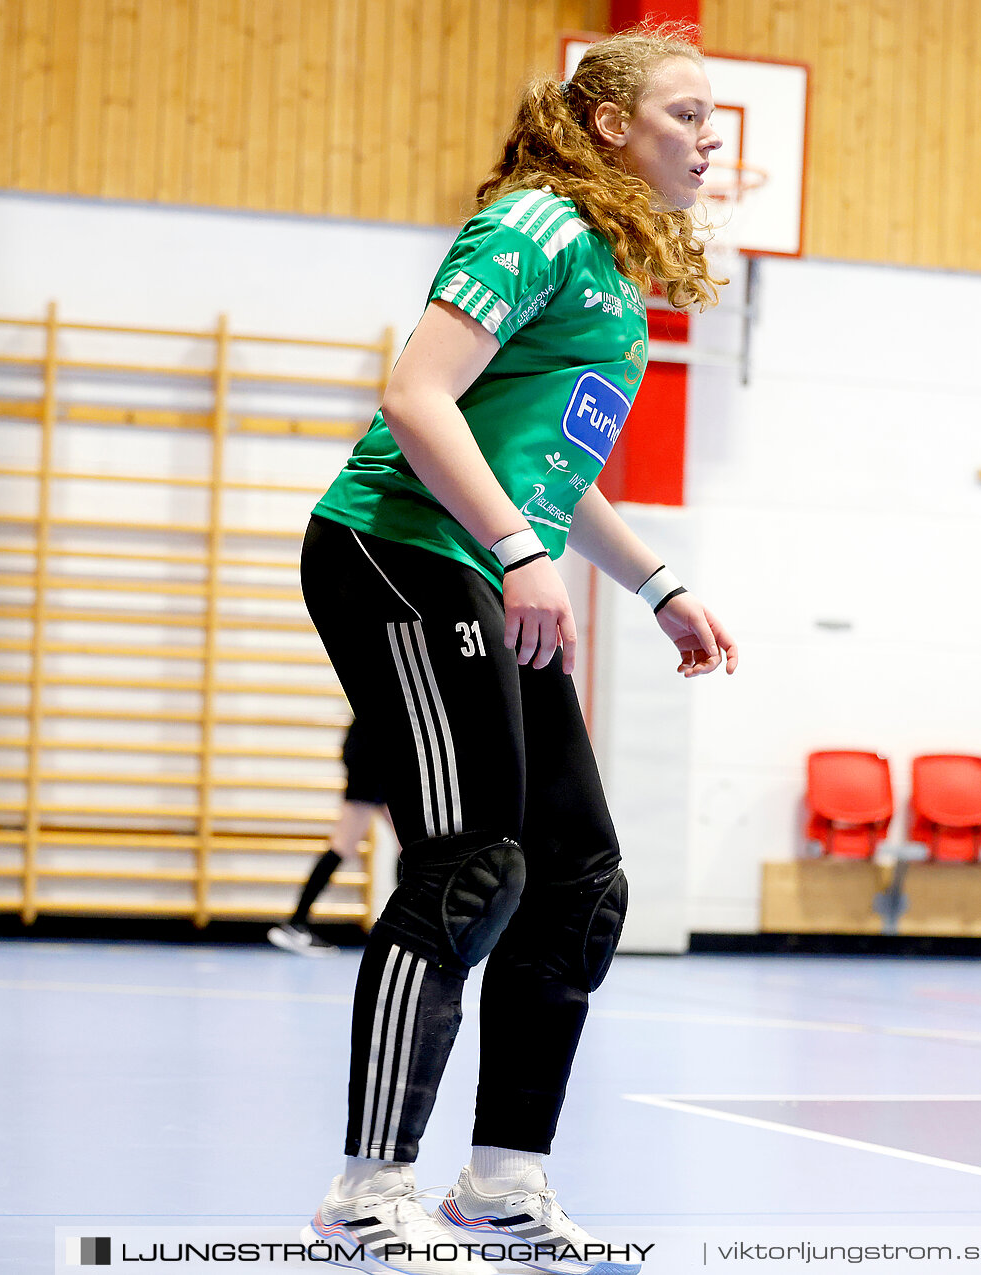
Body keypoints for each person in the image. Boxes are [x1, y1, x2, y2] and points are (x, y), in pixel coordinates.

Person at [297, 23, 735, 1275]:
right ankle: (366, 1191)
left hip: (484, 563)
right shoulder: (536, 223)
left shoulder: (613, 265)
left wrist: (657, 583)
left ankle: (502, 1186)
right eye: (686, 114)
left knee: (580, 878)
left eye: (715, 120)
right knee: (469, 865)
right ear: (611, 127)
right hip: (399, 548)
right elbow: (417, 396)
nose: (710, 139)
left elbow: (550, 465)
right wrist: (515, 550)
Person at [268, 721, 387, 957]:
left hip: (374, 759)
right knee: (344, 845)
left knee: (412, 847)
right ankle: (296, 923)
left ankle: (296, 923)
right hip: (372, 759)